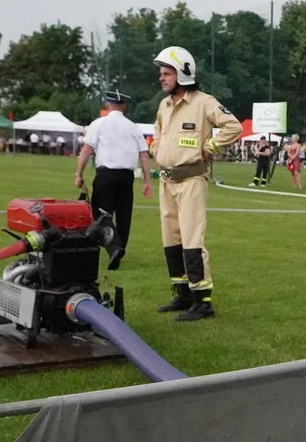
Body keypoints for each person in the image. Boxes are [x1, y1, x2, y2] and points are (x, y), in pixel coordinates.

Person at [151, 45, 243, 321]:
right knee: (171, 239)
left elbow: (234, 126)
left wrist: (212, 144)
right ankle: (182, 293)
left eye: (166, 73)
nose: (161, 78)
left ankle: (203, 301)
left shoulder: (204, 102)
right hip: (167, 182)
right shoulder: (164, 105)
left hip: (191, 180)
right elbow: (156, 132)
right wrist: (157, 149)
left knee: (192, 239)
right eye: (162, 73)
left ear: (181, 75)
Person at [75, 89, 153, 270]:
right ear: (124, 106)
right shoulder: (133, 126)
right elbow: (144, 155)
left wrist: (79, 174)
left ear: (107, 105)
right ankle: (120, 247)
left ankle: (114, 247)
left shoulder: (99, 123)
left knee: (102, 214)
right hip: (127, 176)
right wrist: (147, 181)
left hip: (106, 174)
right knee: (124, 214)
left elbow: (86, 150)